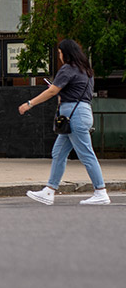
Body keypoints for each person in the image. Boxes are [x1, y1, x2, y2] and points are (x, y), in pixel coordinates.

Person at [19, 38, 110, 205]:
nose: (59, 56)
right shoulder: (87, 70)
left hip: (73, 116)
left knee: (86, 154)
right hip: (81, 113)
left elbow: (53, 91)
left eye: (60, 52)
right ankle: (49, 191)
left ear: (66, 53)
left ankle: (101, 191)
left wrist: (29, 104)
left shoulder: (68, 69)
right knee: (59, 153)